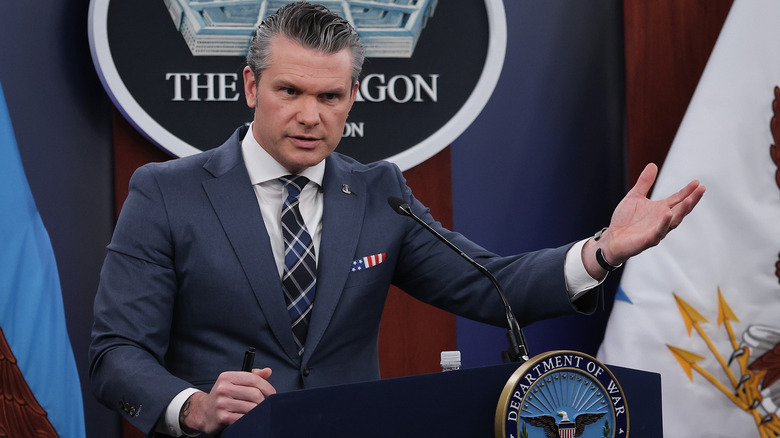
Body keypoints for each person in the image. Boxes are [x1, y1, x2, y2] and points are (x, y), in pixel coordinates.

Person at [88, 2, 705, 437]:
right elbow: (116, 353)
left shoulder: (378, 191)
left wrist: (603, 251)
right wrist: (191, 405)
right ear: (251, 86)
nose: (310, 115)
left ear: (352, 97)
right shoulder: (165, 193)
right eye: (289, 92)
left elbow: (492, 284)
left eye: (329, 97)